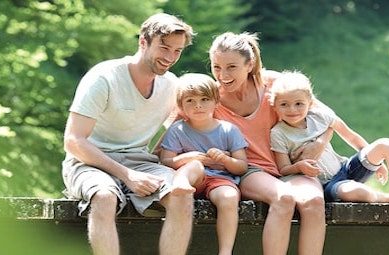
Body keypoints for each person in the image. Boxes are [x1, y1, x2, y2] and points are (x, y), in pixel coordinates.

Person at [62, 13, 200, 255]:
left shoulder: (171, 85)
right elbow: (73, 141)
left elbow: (178, 124)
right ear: (143, 42)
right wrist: (127, 176)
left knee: (181, 196)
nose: (170, 57)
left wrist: (161, 158)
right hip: (89, 162)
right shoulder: (104, 77)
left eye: (177, 51)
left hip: (140, 162)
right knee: (104, 196)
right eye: (164, 47)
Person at [209, 32, 328, 255]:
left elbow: (328, 117)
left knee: (313, 202)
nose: (222, 75)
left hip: (290, 166)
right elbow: (176, 132)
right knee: (283, 197)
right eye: (216, 67)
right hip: (248, 170)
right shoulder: (210, 96)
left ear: (249, 64)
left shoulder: (273, 83)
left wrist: (319, 143)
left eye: (231, 67)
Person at [269, 71, 389, 205]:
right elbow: (283, 168)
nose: (292, 110)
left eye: (299, 104)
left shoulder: (320, 116)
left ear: (310, 102)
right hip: (327, 185)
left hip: (346, 169)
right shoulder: (278, 133)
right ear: (274, 106)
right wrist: (299, 166)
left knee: (386, 144)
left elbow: (352, 137)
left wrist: (375, 159)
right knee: (356, 193)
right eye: (284, 104)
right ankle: (386, 198)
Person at [158, 73, 248, 255]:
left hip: (219, 180)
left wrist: (224, 159)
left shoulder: (228, 130)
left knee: (229, 197)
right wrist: (188, 157)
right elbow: (165, 161)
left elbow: (242, 166)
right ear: (181, 106)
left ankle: (225, 251)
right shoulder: (178, 130)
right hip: (190, 180)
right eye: (190, 100)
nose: (198, 105)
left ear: (216, 102)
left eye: (204, 99)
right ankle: (180, 184)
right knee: (195, 165)